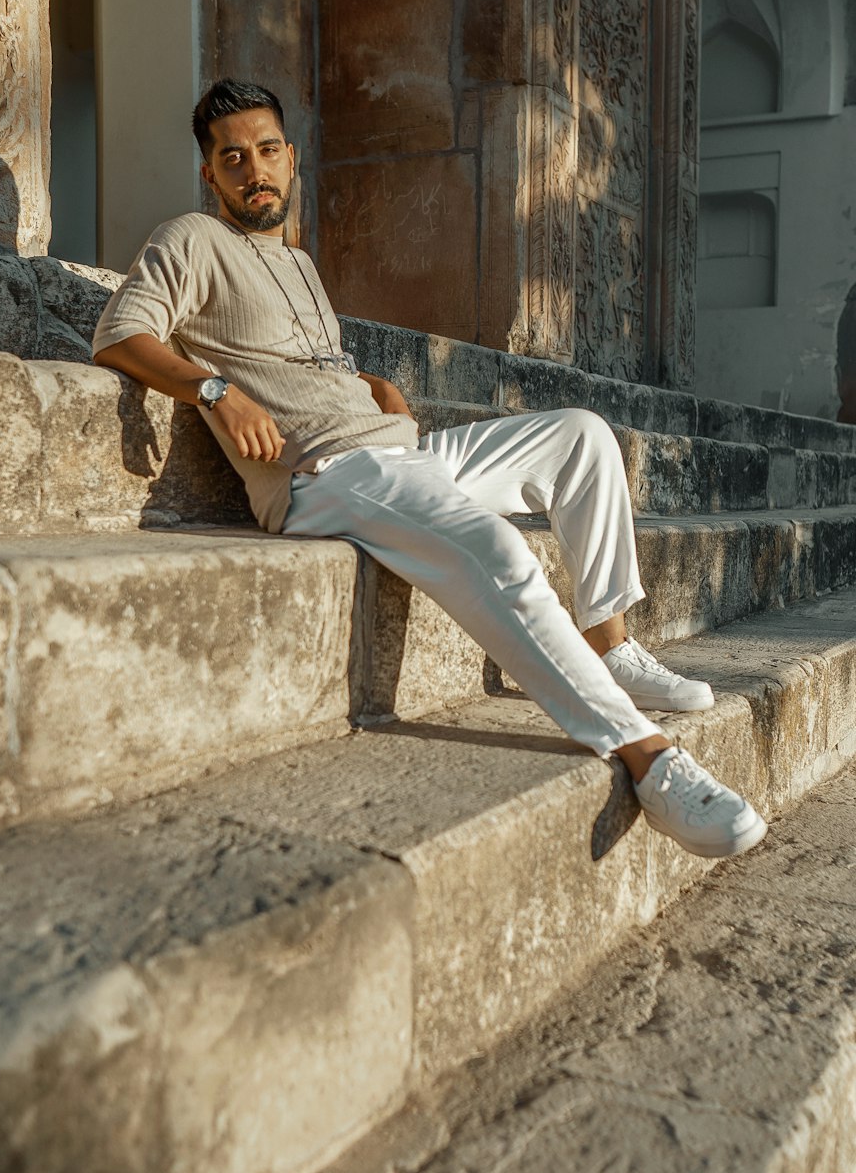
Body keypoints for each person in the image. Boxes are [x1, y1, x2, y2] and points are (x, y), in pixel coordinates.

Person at [93, 78, 768, 860]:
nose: (256, 171)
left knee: (582, 435)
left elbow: (302, 362)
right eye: (233, 158)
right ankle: (648, 760)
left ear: (292, 156)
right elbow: (120, 334)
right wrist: (214, 388)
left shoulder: (300, 263)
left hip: (396, 450)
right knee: (500, 550)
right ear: (210, 175)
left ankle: (610, 648)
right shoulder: (189, 240)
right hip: (326, 473)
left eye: (268, 151)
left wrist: (370, 386)